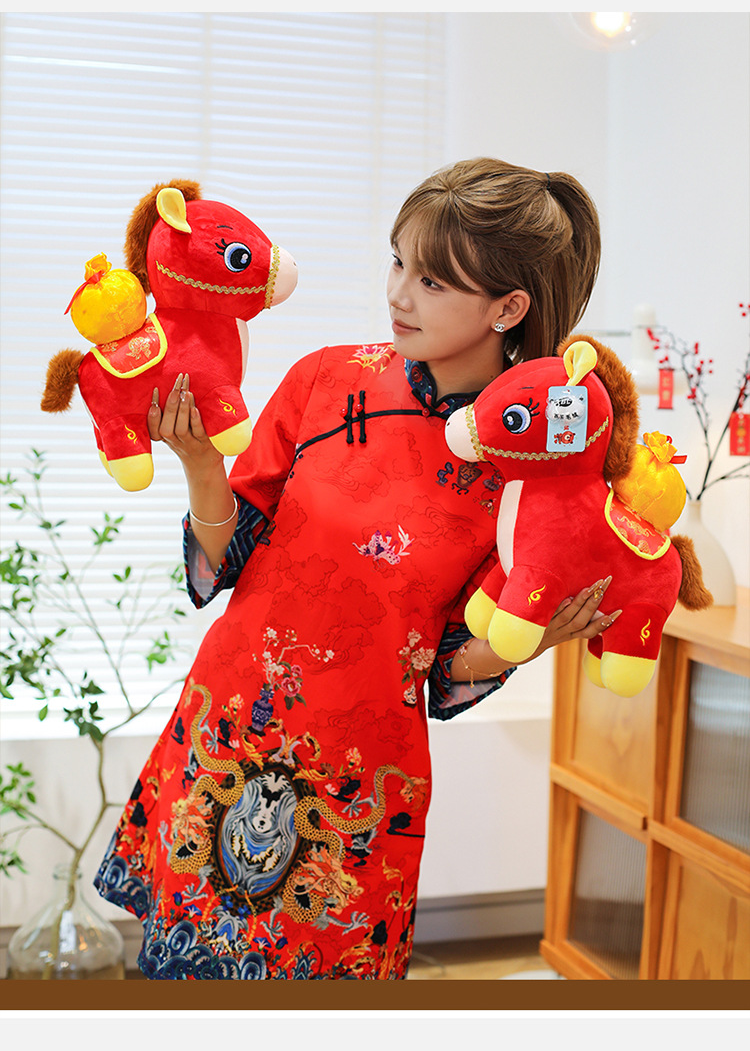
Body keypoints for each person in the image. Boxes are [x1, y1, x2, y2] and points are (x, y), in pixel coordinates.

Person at [94, 156, 614, 980]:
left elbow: (444, 663)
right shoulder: (325, 379)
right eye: (397, 262)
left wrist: (532, 638)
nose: (399, 293)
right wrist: (200, 462)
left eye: (432, 281)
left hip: (356, 785)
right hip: (229, 733)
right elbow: (226, 560)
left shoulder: (526, 471)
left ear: (509, 307)